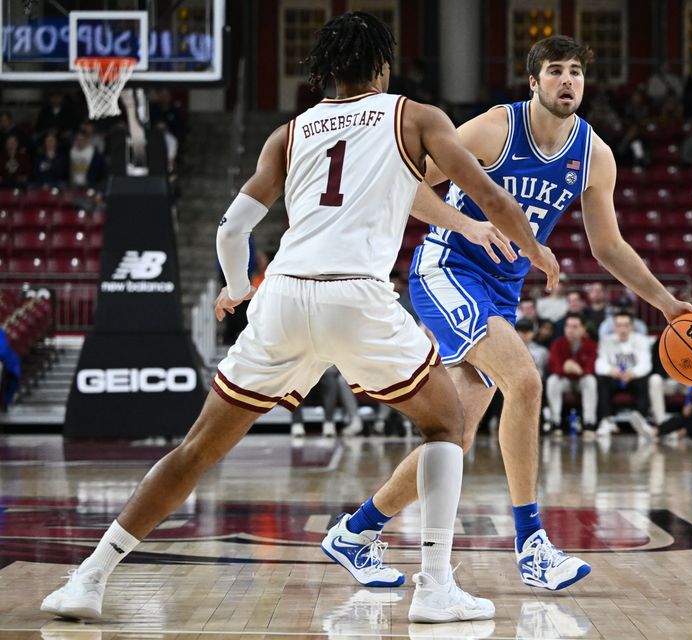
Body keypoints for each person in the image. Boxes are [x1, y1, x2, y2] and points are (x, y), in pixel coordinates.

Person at [41, 12, 559, 624]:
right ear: (383, 67)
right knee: (447, 426)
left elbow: (232, 228)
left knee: (195, 450)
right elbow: (492, 196)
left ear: (325, 73)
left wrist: (237, 288)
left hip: (282, 297)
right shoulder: (414, 116)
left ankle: (89, 578)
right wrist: (534, 247)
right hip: (357, 298)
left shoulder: (289, 133)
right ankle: (436, 588)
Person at [338, 34, 692, 594]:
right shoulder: (493, 129)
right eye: (555, 71)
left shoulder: (593, 154)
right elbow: (404, 188)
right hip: (446, 268)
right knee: (525, 381)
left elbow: (608, 247)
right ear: (534, 82)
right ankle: (531, 544)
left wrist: (668, 304)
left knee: (451, 438)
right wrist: (469, 225)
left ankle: (356, 532)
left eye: (576, 71)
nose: (568, 80)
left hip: (501, 291)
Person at [596, 311, 654, 435]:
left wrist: (632, 373)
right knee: (601, 380)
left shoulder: (641, 340)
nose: (622, 329)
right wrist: (611, 371)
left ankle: (641, 419)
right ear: (614, 327)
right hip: (614, 378)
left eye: (626, 325)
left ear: (632, 326)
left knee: (644, 380)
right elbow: (599, 364)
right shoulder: (606, 341)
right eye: (619, 325)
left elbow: (646, 364)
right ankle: (607, 420)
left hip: (633, 378)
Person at [545, 313, 598, 439]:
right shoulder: (558, 344)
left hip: (582, 380)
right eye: (568, 326)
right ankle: (555, 422)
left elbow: (592, 368)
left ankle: (589, 423)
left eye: (575, 327)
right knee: (552, 380)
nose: (571, 330)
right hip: (565, 381)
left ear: (583, 329)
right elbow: (553, 366)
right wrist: (565, 368)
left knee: (591, 381)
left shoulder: (591, 345)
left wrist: (579, 370)